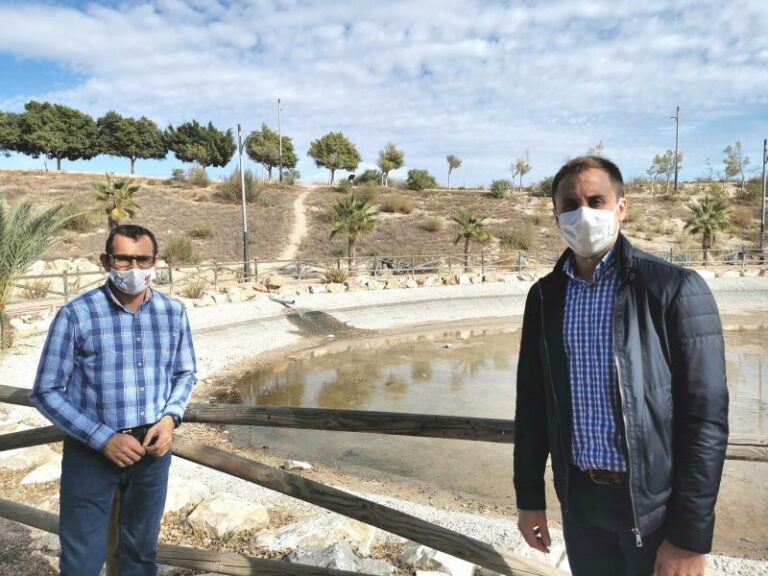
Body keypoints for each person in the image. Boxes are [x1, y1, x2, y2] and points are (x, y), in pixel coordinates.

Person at [513, 157, 728, 576]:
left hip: (654, 510)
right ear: (555, 215)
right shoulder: (544, 297)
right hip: (580, 507)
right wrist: (530, 498)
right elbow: (533, 404)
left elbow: (705, 419)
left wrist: (689, 537)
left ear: (621, 208)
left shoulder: (674, 288)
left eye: (596, 201)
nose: (583, 214)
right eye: (570, 205)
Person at [31, 224, 197, 576]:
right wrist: (103, 438)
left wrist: (170, 420)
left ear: (155, 262)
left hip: (152, 454)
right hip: (91, 452)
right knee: (82, 559)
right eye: (123, 259)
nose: (134, 268)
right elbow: (46, 390)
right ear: (106, 261)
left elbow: (185, 373)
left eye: (143, 260)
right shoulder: (76, 315)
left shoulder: (173, 312)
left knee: (141, 553)